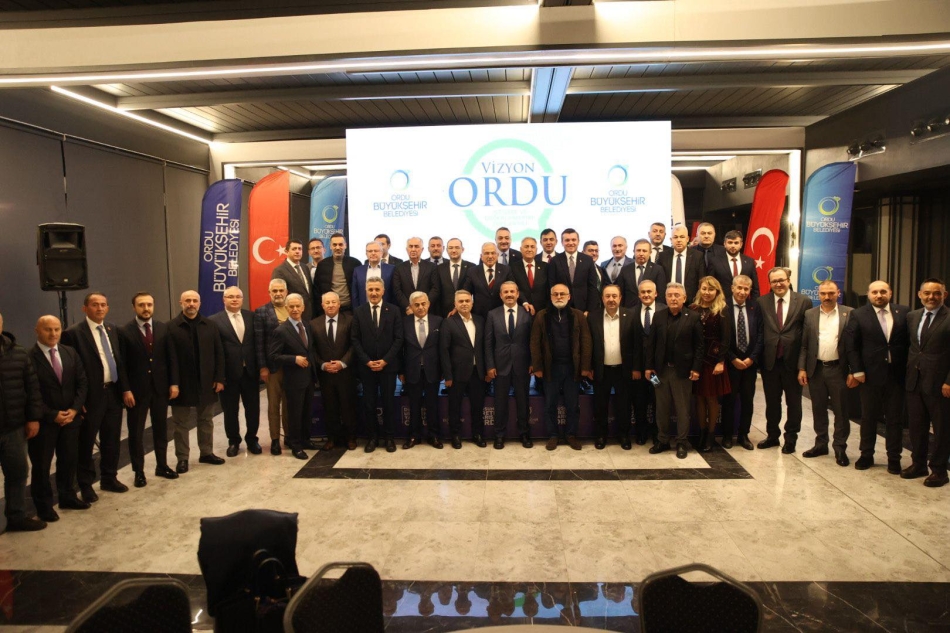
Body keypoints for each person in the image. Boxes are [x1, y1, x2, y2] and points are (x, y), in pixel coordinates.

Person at [62, 292, 131, 499]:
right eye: (94, 305)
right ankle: (86, 484)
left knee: (111, 439)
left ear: (107, 308)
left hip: (113, 392)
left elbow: (119, 361)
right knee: (86, 442)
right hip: (90, 397)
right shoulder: (73, 334)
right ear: (85, 308)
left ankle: (109, 477)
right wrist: (78, 400)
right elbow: (70, 371)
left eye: (103, 305)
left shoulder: (112, 329)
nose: (99, 308)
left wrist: (125, 389)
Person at [843, 280, 909, 473]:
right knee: (868, 417)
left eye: (883, 291)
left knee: (895, 420)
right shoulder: (858, 314)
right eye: (875, 292)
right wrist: (857, 371)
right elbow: (852, 346)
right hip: (869, 376)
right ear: (869, 294)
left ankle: (894, 458)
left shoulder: (904, 313)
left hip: (897, 376)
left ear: (890, 293)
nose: (879, 295)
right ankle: (866, 455)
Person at [28, 315, 87, 523]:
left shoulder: (69, 352)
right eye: (48, 329)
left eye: (57, 329)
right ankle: (44, 507)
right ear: (37, 331)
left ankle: (67, 496)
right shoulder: (29, 358)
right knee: (42, 466)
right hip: (44, 423)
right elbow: (31, 393)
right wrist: (52, 414)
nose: (53, 334)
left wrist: (74, 409)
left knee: (68, 460)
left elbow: (82, 383)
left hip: (71, 419)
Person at [118, 292, 180, 486]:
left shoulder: (163, 328)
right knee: (136, 433)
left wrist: (174, 383)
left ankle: (162, 465)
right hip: (136, 391)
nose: (146, 308)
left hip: (160, 388)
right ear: (134, 307)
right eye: (141, 305)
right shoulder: (124, 331)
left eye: (149, 305)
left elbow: (171, 358)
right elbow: (121, 364)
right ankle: (139, 472)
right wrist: (126, 389)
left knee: (161, 429)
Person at [167, 290, 226, 473]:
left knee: (206, 419)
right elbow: (169, 358)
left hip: (207, 382)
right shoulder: (171, 327)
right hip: (182, 384)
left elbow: (219, 353)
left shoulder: (210, 325)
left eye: (194, 301)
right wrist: (173, 383)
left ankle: (206, 453)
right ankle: (182, 458)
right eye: (187, 301)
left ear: (199, 303)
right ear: (181, 303)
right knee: (180, 423)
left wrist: (219, 378)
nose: (191, 304)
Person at [530, 284, 592, 451]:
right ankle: (553, 435)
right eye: (555, 294)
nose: (559, 297)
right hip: (550, 368)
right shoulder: (542, 316)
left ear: (569, 296)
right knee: (550, 404)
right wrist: (537, 367)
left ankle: (571, 435)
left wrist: (585, 366)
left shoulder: (578, 315)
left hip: (573, 368)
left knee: (573, 405)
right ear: (551, 297)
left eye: (562, 294)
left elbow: (586, 341)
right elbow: (534, 343)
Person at [645, 283, 704, 459]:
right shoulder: (658, 316)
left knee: (682, 409)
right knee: (661, 408)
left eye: (677, 295)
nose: (673, 298)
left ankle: (681, 442)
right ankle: (662, 440)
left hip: (683, 372)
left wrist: (696, 368)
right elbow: (651, 344)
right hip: (660, 372)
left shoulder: (693, 317)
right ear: (665, 297)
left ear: (684, 298)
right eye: (670, 295)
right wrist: (648, 366)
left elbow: (699, 346)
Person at [798, 281, 853, 466]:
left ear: (838, 293)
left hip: (839, 369)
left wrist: (853, 370)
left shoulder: (849, 313)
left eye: (831, 293)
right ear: (818, 294)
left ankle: (840, 447)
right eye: (823, 293)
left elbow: (855, 346)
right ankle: (821, 444)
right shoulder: (810, 314)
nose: (827, 297)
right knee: (818, 408)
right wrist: (802, 368)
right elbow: (804, 345)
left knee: (841, 410)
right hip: (817, 369)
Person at [756, 266, 810, 453]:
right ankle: (772, 436)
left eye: (781, 280)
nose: (778, 284)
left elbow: (806, 336)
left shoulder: (803, 301)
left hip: (793, 363)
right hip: (769, 362)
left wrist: (802, 365)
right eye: (774, 281)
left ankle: (791, 439)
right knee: (772, 403)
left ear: (788, 280)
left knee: (793, 403)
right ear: (770, 284)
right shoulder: (761, 302)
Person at [0, 312, 46, 532]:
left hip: (13, 428)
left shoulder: (18, 353)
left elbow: (32, 389)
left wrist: (33, 418)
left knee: (18, 473)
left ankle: (17, 516)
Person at [902, 278, 950, 487]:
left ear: (944, 295)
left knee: (942, 429)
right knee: (916, 426)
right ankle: (918, 464)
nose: (932, 297)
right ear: (919, 295)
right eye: (927, 293)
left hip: (940, 384)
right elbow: (911, 348)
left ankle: (939, 470)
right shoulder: (912, 317)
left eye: (937, 293)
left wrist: (949, 381)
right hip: (914, 381)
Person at [351, 278, 404, 453]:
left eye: (377, 289)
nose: (373, 293)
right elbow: (355, 339)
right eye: (370, 289)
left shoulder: (394, 310)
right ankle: (372, 438)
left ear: (383, 291)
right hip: (366, 367)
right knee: (369, 404)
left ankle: (389, 438)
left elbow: (398, 339)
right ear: (366, 291)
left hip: (388, 366)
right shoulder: (359, 312)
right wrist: (367, 361)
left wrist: (385, 360)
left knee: (389, 403)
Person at [210, 287, 261, 458]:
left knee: (253, 409)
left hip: (250, 372)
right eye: (230, 297)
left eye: (238, 296)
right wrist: (218, 376)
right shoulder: (214, 320)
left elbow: (257, 344)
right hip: (228, 374)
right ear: (223, 299)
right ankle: (233, 441)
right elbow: (215, 350)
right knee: (230, 410)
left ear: (242, 299)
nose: (234, 299)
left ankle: (252, 439)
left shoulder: (252, 317)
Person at [268, 293, 316, 460]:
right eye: (292, 307)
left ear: (303, 308)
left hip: (309, 378)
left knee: (307, 411)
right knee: (294, 414)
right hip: (293, 379)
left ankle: (305, 440)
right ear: (287, 308)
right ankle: (295, 445)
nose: (295, 309)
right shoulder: (281, 330)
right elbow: (273, 356)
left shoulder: (308, 326)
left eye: (298, 306)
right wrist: (293, 359)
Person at [486, 281, 533, 449]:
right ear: (500, 295)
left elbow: (532, 341)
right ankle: (499, 435)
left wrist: (532, 362)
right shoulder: (492, 314)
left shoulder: (527, 313)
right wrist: (490, 365)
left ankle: (524, 433)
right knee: (500, 402)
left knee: (523, 402)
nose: (509, 294)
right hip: (500, 366)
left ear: (518, 294)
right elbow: (488, 343)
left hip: (522, 364)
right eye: (505, 292)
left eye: (512, 291)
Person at [588, 284, 635, 450]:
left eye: (614, 296)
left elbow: (636, 344)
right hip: (601, 369)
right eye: (607, 296)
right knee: (600, 405)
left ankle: (624, 435)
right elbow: (589, 344)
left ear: (620, 298)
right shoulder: (593, 317)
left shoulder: (630, 315)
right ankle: (601, 435)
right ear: (602, 298)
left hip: (623, 369)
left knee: (624, 405)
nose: (611, 299)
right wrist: (589, 367)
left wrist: (635, 368)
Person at [440, 289, 488, 448]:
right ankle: (455, 435)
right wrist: (447, 375)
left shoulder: (480, 320)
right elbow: (444, 350)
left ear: (472, 303)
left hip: (477, 372)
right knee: (454, 406)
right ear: (455, 304)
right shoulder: (448, 322)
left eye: (467, 301)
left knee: (478, 406)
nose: (464, 304)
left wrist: (487, 369)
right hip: (456, 373)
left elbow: (485, 346)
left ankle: (478, 434)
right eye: (461, 301)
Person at [312, 291, 358, 451]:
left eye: (333, 302)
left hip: (346, 373)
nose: (330, 305)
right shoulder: (314, 324)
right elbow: (312, 350)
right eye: (327, 302)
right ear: (322, 305)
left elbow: (354, 345)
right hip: (325, 374)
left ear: (339, 304)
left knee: (348, 406)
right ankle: (332, 438)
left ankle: (351, 438)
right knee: (329, 407)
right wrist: (323, 365)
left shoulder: (350, 320)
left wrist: (343, 363)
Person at [690, 277, 732, 453]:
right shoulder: (692, 308)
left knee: (711, 399)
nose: (707, 293)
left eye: (711, 289)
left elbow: (726, 338)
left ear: (717, 291)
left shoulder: (722, 310)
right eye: (704, 289)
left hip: (713, 361)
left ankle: (711, 435)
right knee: (699, 398)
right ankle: (701, 432)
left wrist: (721, 361)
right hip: (696, 360)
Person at [721, 275, 763, 450]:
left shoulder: (755, 307)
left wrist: (751, 358)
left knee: (747, 401)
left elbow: (760, 335)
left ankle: (743, 435)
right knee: (729, 401)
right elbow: (720, 337)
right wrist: (732, 358)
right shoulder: (722, 307)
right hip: (730, 363)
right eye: (739, 288)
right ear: (732, 288)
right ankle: (727, 435)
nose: (742, 292)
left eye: (746, 289)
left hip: (749, 364)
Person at [400, 291, 443, 449]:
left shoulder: (438, 321)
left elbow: (443, 348)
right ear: (411, 306)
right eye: (416, 305)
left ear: (429, 304)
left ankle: (434, 436)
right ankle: (414, 436)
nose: (420, 307)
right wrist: (401, 371)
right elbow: (400, 349)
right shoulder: (404, 322)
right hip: (412, 370)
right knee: (414, 405)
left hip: (433, 370)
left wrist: (443, 371)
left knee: (433, 405)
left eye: (423, 304)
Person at [254, 279, 291, 455]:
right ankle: (275, 439)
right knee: (274, 404)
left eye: (281, 290)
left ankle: (289, 436)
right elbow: (259, 343)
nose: (278, 294)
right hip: (272, 367)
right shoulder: (261, 312)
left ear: (286, 292)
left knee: (289, 404)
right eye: (274, 291)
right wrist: (263, 367)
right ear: (269, 293)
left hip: (292, 366)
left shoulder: (294, 308)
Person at [630, 280, 666, 445]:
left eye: (649, 292)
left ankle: (658, 434)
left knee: (658, 400)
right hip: (639, 369)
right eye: (643, 292)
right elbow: (630, 344)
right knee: (640, 401)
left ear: (656, 293)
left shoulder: (665, 310)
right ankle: (641, 433)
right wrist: (636, 368)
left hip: (657, 370)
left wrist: (659, 367)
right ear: (638, 295)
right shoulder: (631, 312)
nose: (646, 295)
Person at [548, 229, 599, 314]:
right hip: (561, 307)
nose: (571, 243)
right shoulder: (555, 261)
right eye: (567, 240)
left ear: (578, 241)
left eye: (573, 240)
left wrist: (589, 310)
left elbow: (592, 287)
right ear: (562, 242)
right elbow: (551, 285)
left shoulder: (588, 260)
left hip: (583, 308)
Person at [314, 232, 361, 315]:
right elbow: (317, 289)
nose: (338, 247)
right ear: (330, 246)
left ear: (345, 245)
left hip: (350, 310)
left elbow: (360, 288)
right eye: (334, 245)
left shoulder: (355, 263)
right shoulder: (322, 265)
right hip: (329, 310)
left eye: (340, 244)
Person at [462, 242, 511, 319]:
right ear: (481, 256)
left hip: (501, 315)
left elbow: (513, 290)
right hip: (479, 316)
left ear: (497, 255)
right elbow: (466, 292)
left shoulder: (506, 270)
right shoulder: (472, 271)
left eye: (493, 253)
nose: (490, 256)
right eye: (487, 253)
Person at [393, 237, 441, 315]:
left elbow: (435, 289)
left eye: (416, 246)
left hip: (427, 311)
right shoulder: (399, 268)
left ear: (422, 249)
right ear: (407, 249)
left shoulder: (431, 267)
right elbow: (397, 290)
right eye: (410, 246)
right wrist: (408, 307)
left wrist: (424, 305)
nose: (413, 249)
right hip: (407, 312)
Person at [709, 230, 760, 303]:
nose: (733, 246)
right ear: (724, 244)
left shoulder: (749, 261)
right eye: (730, 242)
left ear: (741, 244)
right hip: (721, 303)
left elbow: (755, 288)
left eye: (736, 243)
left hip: (744, 303)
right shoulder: (715, 261)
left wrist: (754, 305)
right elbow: (711, 285)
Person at [658, 225, 704, 302]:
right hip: (668, 301)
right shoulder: (663, 256)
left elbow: (701, 281)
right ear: (671, 239)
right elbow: (659, 281)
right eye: (675, 237)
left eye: (682, 237)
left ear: (687, 239)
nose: (679, 240)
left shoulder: (697, 256)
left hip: (691, 302)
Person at [618, 239, 667, 308]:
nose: (641, 254)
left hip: (650, 311)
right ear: (634, 251)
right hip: (629, 310)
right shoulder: (625, 270)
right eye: (638, 250)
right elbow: (621, 293)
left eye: (644, 251)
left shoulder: (657, 270)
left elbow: (661, 295)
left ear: (650, 252)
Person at [271, 239, 313, 319]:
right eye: (294, 249)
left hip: (309, 314)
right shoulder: (280, 270)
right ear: (286, 251)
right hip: (292, 315)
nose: (297, 251)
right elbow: (280, 296)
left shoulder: (305, 267)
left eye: (299, 249)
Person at [510, 236, 549, 315]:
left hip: (543, 311)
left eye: (532, 247)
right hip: (521, 310)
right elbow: (514, 287)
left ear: (536, 250)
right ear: (521, 249)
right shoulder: (513, 267)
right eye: (526, 246)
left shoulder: (545, 266)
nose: (529, 249)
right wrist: (524, 302)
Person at [352, 241, 395, 308]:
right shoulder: (358, 271)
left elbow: (394, 292)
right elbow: (355, 294)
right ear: (366, 254)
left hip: (386, 309)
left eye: (376, 251)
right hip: (364, 310)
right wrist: (357, 310)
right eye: (370, 251)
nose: (373, 253)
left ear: (381, 253)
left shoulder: (391, 269)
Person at [437, 237, 473, 318]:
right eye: (450, 248)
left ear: (462, 249)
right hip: (444, 313)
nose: (453, 250)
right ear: (446, 250)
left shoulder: (471, 267)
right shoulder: (439, 269)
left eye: (457, 247)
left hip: (466, 311)